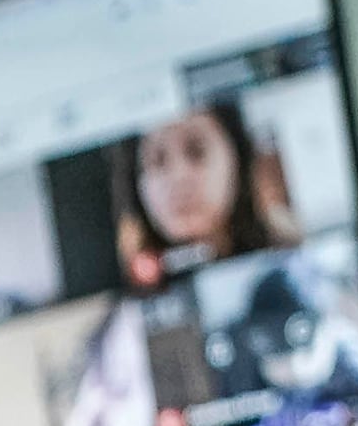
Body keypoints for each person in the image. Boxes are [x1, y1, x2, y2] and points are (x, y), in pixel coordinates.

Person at [113, 98, 294, 287]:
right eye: (157, 159)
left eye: (197, 151)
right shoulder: (127, 299)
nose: (178, 176)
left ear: (237, 161)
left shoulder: (287, 260)